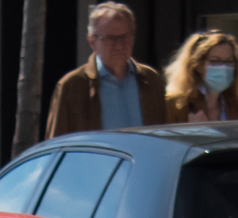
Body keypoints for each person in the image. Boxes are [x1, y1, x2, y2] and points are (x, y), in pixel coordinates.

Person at [47, 3, 164, 137]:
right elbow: (57, 144)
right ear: (92, 42)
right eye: (111, 39)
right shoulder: (72, 86)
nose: (119, 45)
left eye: (125, 37)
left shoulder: (151, 80)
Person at [163, 30, 238, 124]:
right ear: (198, 66)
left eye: (229, 61)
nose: (223, 67)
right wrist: (192, 130)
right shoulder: (174, 105)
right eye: (215, 61)